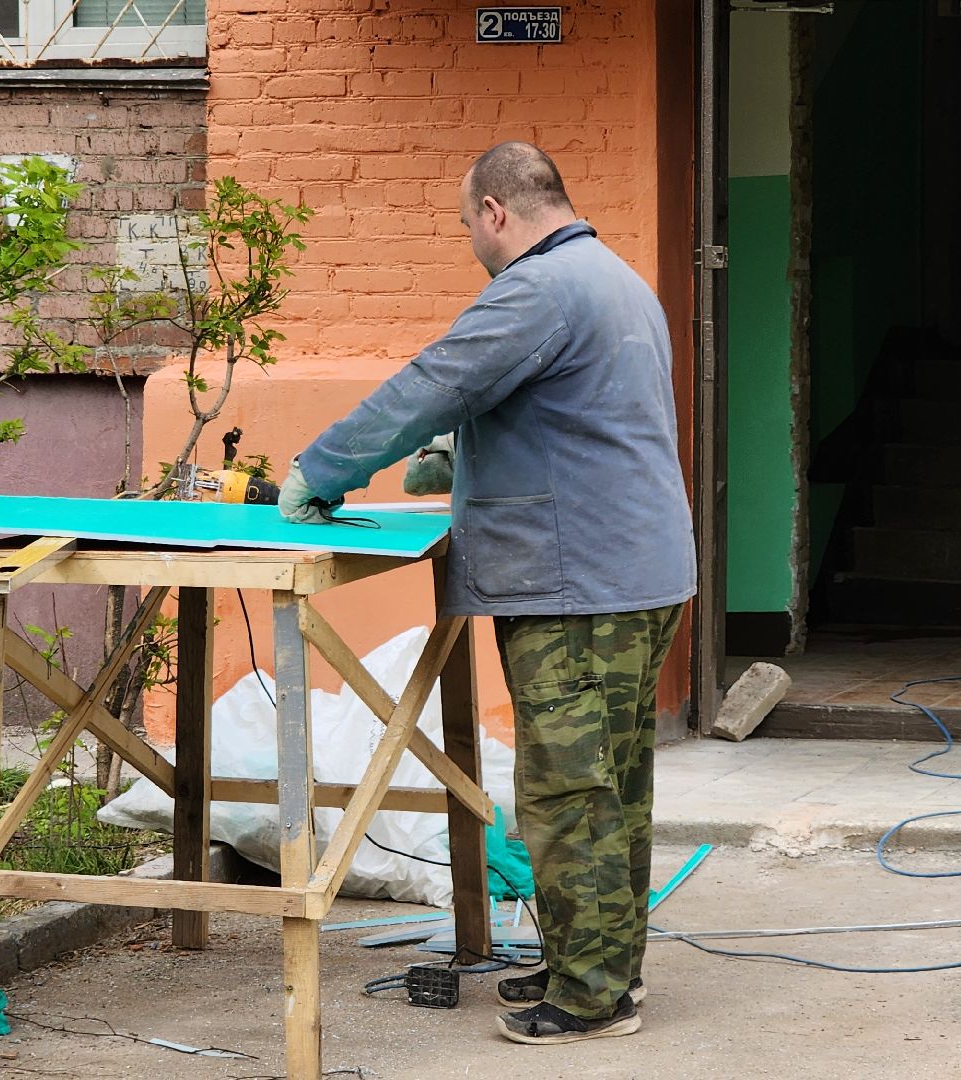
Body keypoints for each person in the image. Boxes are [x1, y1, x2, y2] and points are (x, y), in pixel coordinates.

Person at [279, 142, 696, 1046]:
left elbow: (433, 384)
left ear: (498, 211)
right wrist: (466, 460)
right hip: (637, 569)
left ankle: (588, 999)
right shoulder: (614, 277)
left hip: (580, 583)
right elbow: (575, 417)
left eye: (468, 221)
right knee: (613, 784)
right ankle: (603, 968)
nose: (470, 237)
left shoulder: (537, 290)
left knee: (566, 789)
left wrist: (322, 467)